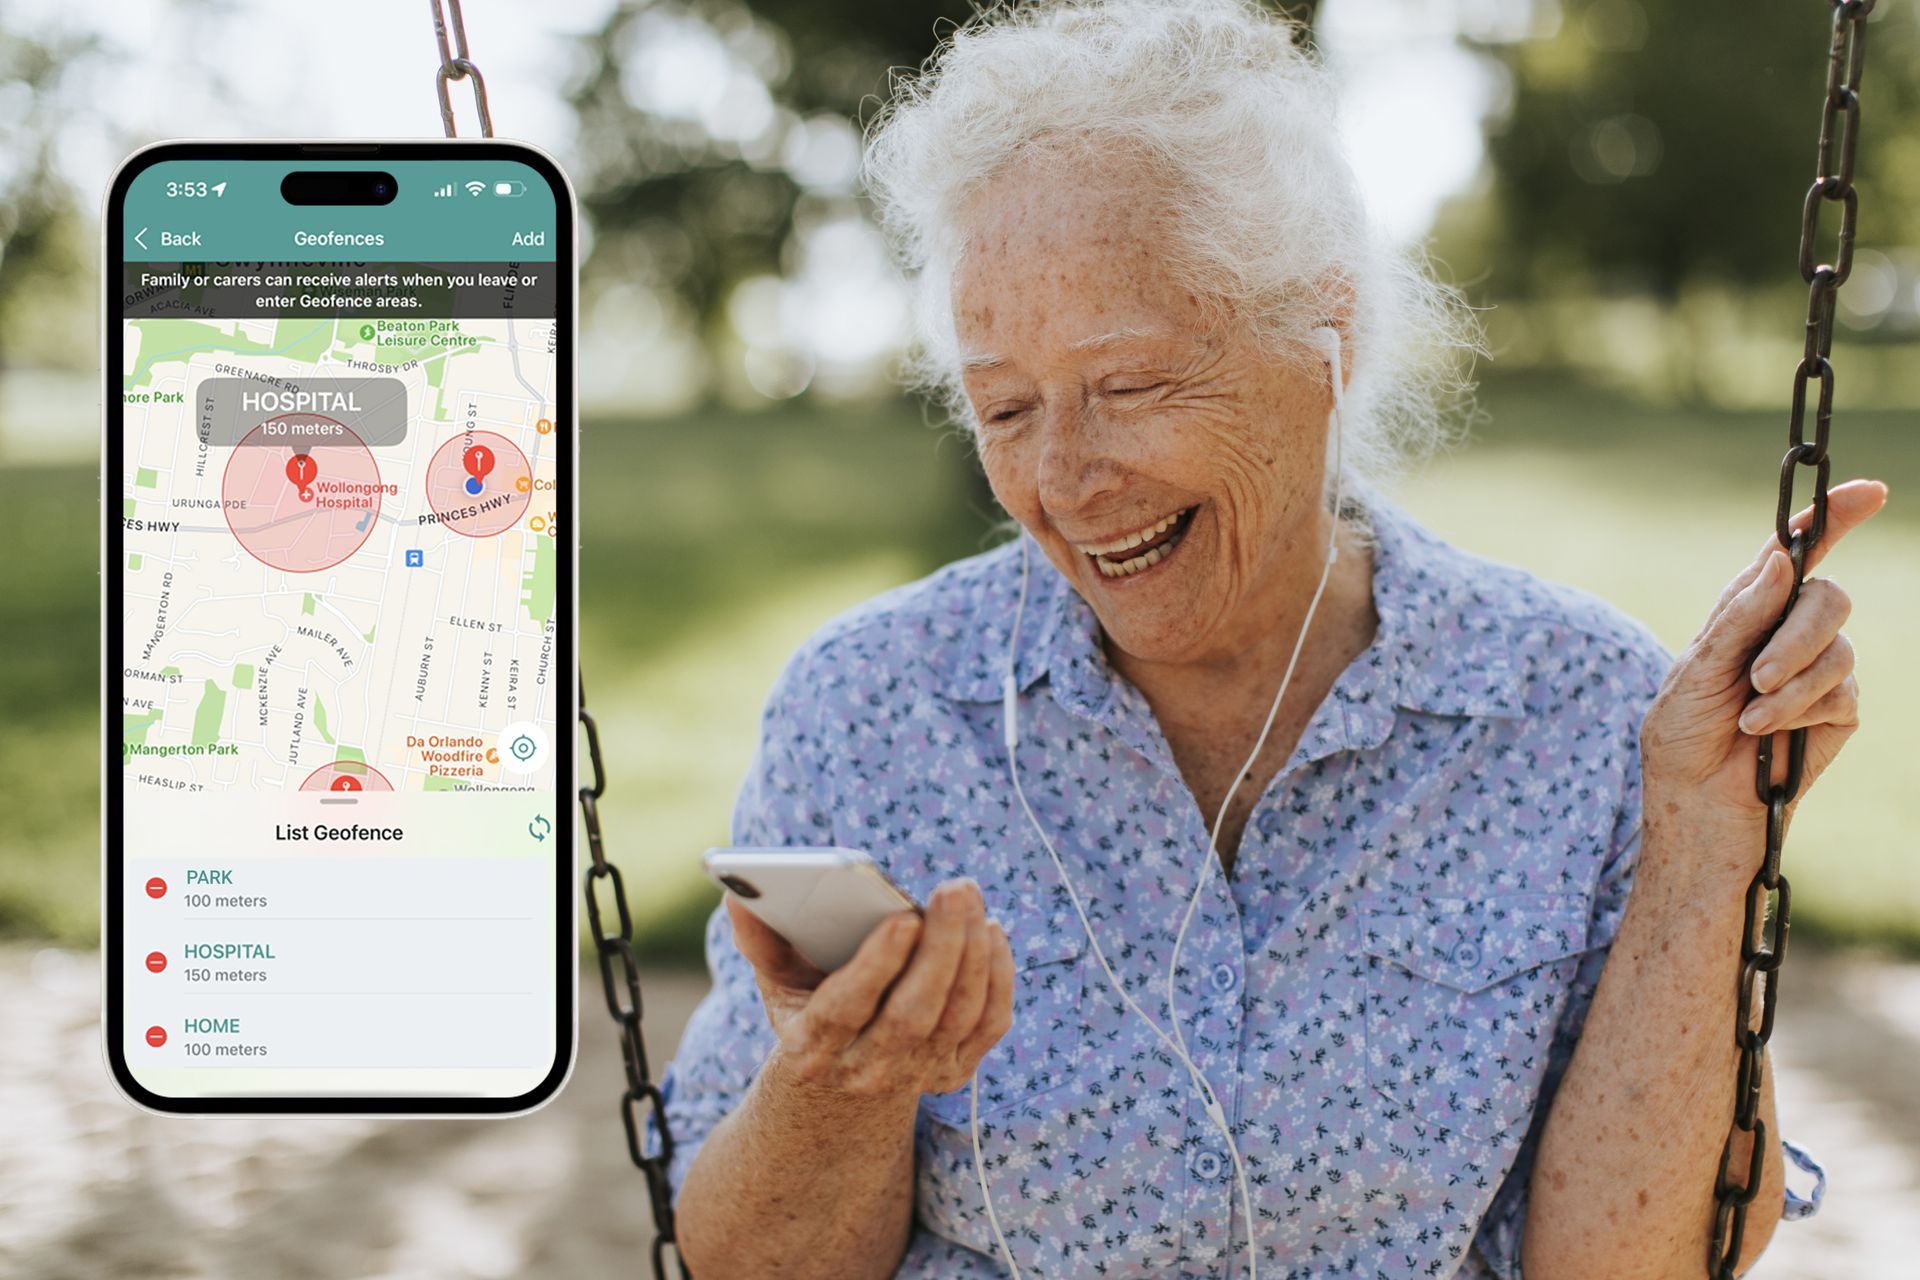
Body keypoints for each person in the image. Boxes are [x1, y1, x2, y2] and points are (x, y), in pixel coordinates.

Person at [648, 2, 1883, 1275]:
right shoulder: (871, 708)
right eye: (1005, 408)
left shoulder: (1579, 707)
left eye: (1129, 386)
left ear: (1323, 339)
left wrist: (1708, 844)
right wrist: (841, 1085)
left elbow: (1626, 1264)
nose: (1065, 479)